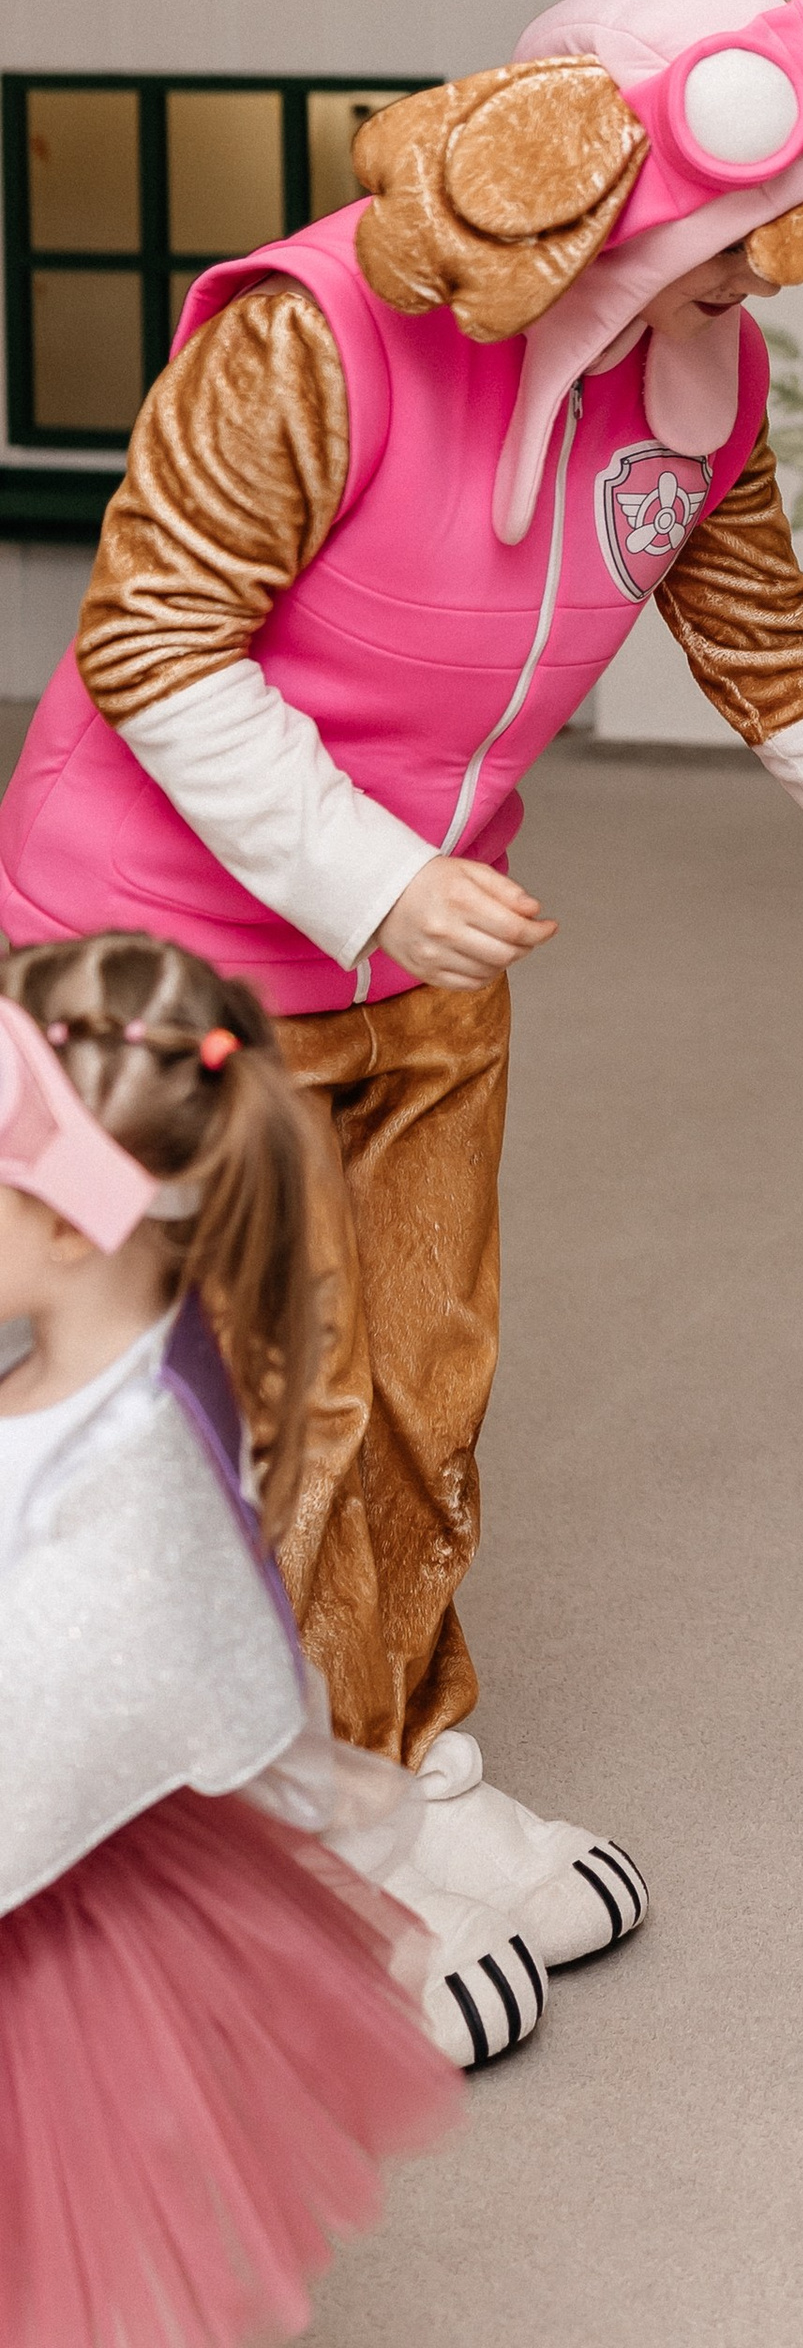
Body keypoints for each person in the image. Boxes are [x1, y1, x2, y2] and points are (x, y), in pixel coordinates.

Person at [0, 0, 803, 2040]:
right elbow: (162, 642)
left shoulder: (694, 385)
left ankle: (388, 1762)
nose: (763, 302)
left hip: (435, 954)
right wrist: (370, 873)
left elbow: (778, 664)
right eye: (731, 259)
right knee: (253, 1407)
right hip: (158, 954)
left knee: (420, 1388)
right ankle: (239, 1856)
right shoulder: (307, 336)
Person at [0, 930, 464, 2348]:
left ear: (73, 1227)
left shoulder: (133, 1491)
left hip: (43, 1884)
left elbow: (48, 1746)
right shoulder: (84, 1351)